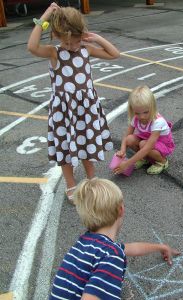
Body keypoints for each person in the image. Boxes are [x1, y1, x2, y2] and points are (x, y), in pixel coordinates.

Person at [27, 3, 119, 202]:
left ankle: (92, 178)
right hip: (63, 112)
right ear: (57, 36)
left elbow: (115, 54)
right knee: (65, 147)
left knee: (86, 143)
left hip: (86, 109)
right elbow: (32, 47)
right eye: (67, 43)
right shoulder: (54, 52)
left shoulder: (87, 49)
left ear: (82, 35)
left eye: (75, 42)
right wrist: (44, 17)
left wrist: (96, 38)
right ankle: (70, 183)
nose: (71, 47)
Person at [49, 177, 180, 299]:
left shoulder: (87, 242)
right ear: (121, 210)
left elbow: (130, 248)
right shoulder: (111, 256)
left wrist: (160, 247)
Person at [114, 85, 175, 175]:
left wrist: (127, 163)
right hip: (147, 141)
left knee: (143, 144)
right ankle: (146, 159)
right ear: (132, 110)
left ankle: (162, 162)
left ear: (152, 107)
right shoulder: (135, 118)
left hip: (162, 144)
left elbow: (147, 147)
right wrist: (122, 150)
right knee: (129, 139)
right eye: (137, 113)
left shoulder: (157, 121)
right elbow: (126, 136)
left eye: (146, 112)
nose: (142, 116)